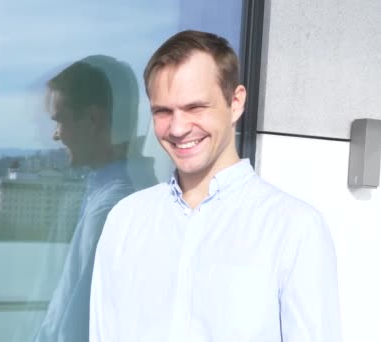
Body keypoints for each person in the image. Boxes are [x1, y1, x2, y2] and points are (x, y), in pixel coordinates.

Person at [90, 30, 342, 342]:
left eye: (195, 107)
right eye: (163, 111)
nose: (179, 128)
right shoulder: (124, 220)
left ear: (235, 103)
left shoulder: (294, 229)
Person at [27, 55, 156, 342]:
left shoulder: (111, 209)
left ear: (94, 119)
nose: (55, 135)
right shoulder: (119, 193)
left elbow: (76, 323)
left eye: (60, 120)